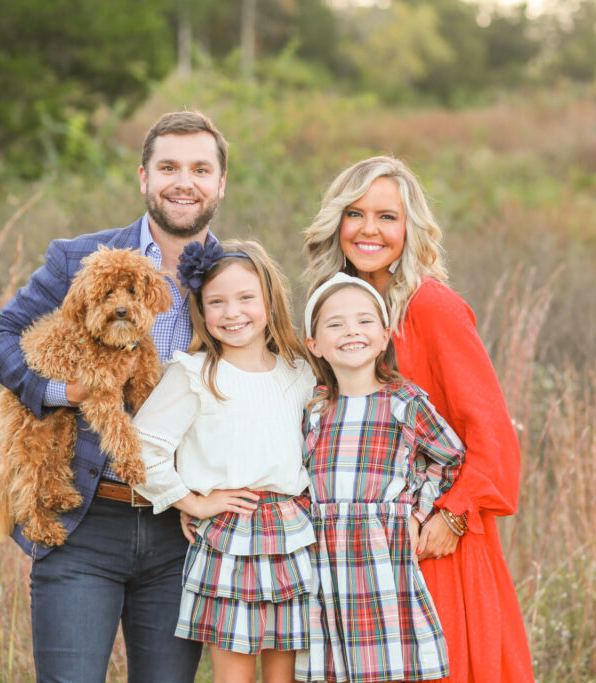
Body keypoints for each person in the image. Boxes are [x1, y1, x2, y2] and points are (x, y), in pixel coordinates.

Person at [0, 110, 228, 683]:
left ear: (220, 184)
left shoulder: (236, 277)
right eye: (168, 167)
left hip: (182, 533)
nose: (183, 182)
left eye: (200, 169)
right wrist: (61, 392)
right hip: (84, 524)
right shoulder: (79, 259)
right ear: (144, 177)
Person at [303, 156, 535, 682]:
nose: (368, 229)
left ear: (410, 228)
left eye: (387, 217)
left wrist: (452, 517)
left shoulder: (430, 306)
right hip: (355, 556)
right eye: (355, 213)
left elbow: (492, 434)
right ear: (336, 222)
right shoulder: (338, 308)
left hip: (431, 545)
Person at [130, 239, 317, 683]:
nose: (232, 313)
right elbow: (140, 447)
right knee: (234, 675)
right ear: (201, 310)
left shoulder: (299, 373)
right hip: (231, 536)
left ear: (270, 301)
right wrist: (190, 501)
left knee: (285, 674)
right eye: (216, 302)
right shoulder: (195, 373)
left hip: (291, 534)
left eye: (246, 298)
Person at [295, 273, 466, 683]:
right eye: (335, 324)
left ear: (385, 336)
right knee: (331, 665)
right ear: (314, 345)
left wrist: (417, 512)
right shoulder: (314, 408)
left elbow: (449, 457)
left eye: (364, 321)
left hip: (382, 551)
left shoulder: (405, 401)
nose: (351, 331)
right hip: (324, 553)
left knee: (385, 665)